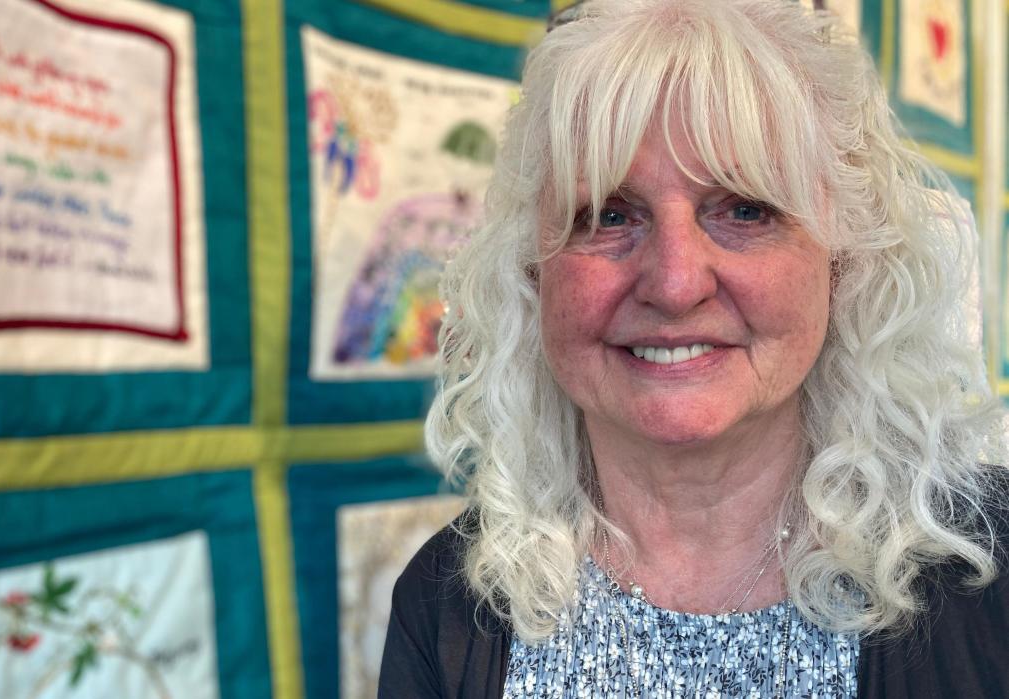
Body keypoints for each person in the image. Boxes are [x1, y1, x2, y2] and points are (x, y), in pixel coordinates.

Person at [378, 0, 1009, 697]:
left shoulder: (991, 569)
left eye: (745, 208)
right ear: (533, 269)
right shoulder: (446, 608)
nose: (676, 284)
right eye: (609, 216)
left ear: (842, 261)